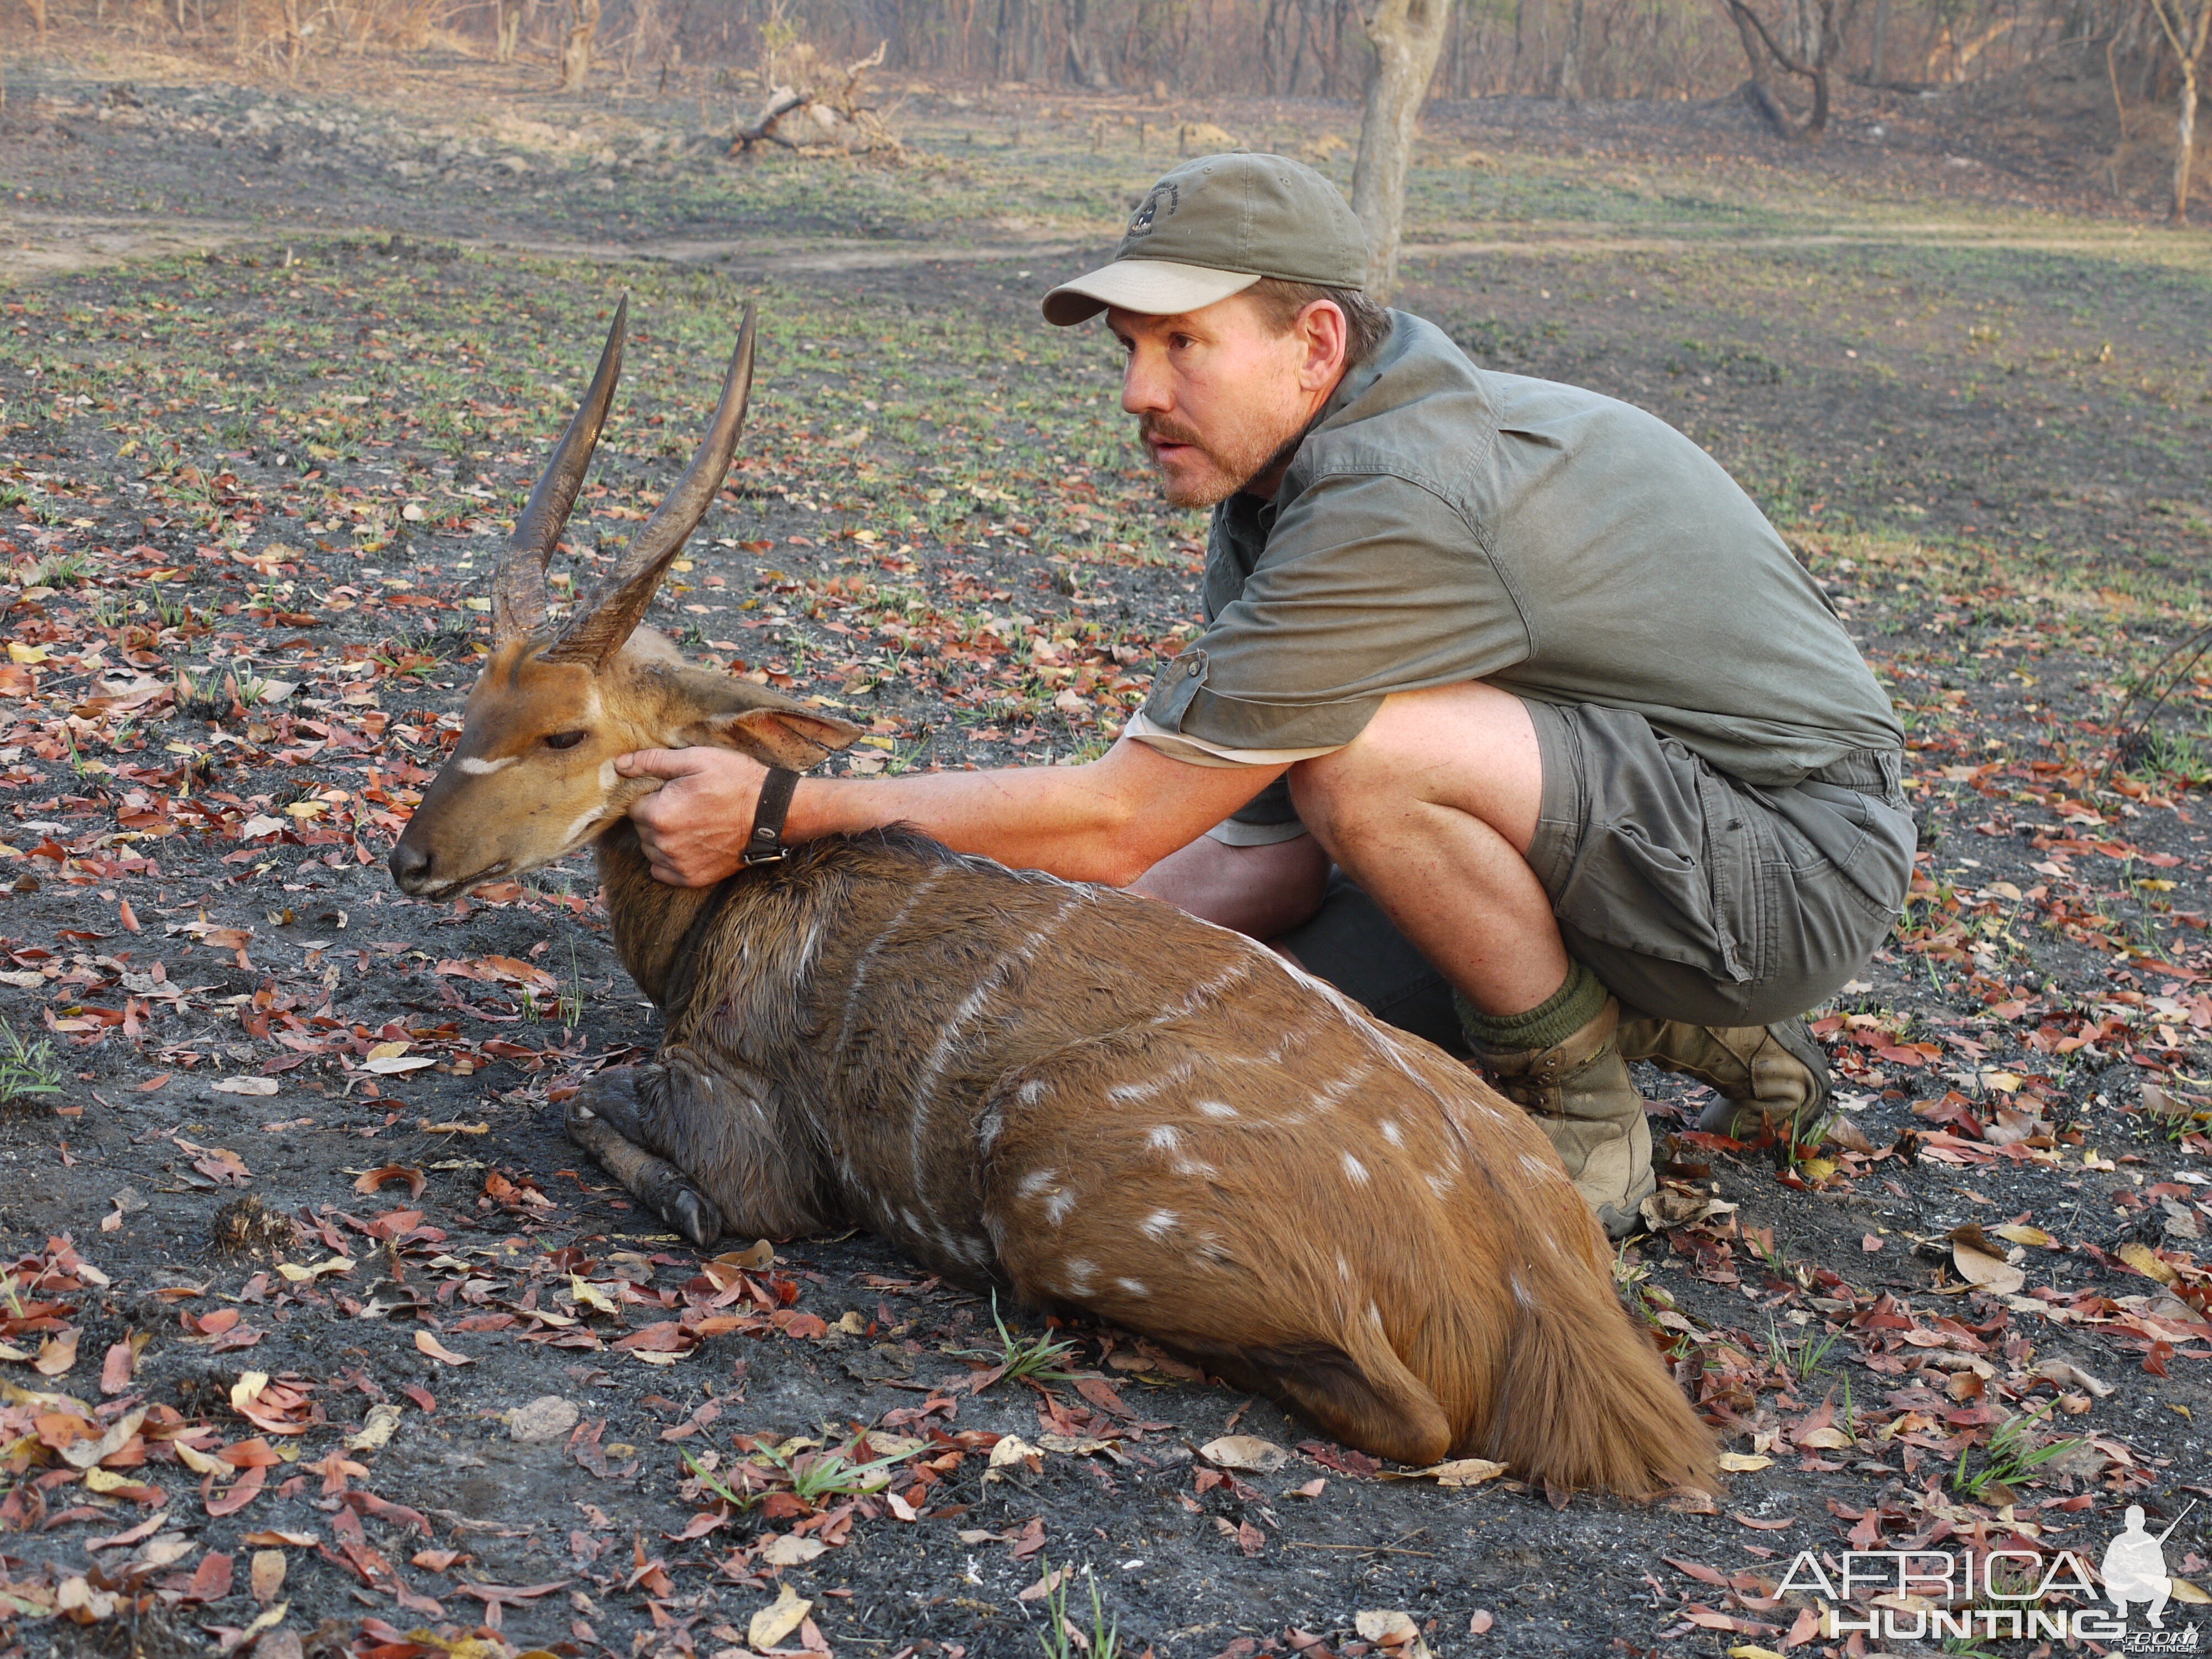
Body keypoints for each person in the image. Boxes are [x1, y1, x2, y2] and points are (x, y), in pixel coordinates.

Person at [613, 152, 1914, 1238]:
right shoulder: (1279, 483)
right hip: (1634, 828)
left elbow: (1122, 819)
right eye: (1129, 347)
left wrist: (786, 807)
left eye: (1184, 344)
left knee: (1371, 766)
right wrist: (1022, 960)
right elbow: (1247, 866)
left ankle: (1581, 1114)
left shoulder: (1390, 499)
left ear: (1315, 342)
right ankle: (1665, 1025)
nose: (1137, 392)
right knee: (1267, 1009)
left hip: (1791, 867)